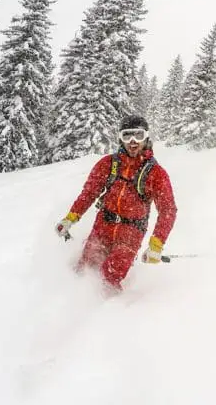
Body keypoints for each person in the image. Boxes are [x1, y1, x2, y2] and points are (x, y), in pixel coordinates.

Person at [55, 115, 177, 292]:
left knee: (108, 278)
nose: (133, 142)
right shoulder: (108, 164)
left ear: (147, 137)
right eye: (127, 136)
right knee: (84, 269)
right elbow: (88, 194)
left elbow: (168, 210)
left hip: (131, 232)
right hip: (103, 225)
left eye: (138, 135)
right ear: (120, 138)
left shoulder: (156, 173)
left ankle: (110, 314)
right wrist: (70, 218)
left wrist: (156, 245)